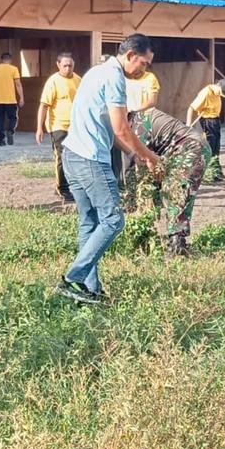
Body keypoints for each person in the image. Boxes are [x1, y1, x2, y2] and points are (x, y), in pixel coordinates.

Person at [56, 35, 162, 305]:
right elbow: (121, 128)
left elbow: (107, 127)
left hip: (72, 156)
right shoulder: (115, 77)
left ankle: (88, 290)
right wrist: (150, 156)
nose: (144, 69)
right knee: (114, 220)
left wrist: (132, 153)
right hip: (91, 160)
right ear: (130, 55)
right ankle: (73, 278)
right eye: (143, 63)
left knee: (89, 223)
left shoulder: (95, 72)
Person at [126, 108, 208, 256]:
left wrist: (133, 201)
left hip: (192, 148)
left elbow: (142, 166)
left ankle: (177, 245)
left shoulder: (139, 128)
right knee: (166, 192)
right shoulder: (138, 121)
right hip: (178, 152)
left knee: (174, 192)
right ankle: (164, 237)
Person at [36, 53, 81, 202]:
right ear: (58, 65)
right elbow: (44, 106)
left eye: (70, 65)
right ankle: (62, 188)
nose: (68, 68)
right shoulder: (53, 81)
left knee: (75, 157)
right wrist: (39, 128)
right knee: (61, 156)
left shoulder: (78, 80)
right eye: (65, 66)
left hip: (75, 125)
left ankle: (75, 186)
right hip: (58, 125)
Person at [186, 77, 225, 183]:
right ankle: (205, 174)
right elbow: (191, 108)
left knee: (216, 147)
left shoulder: (217, 93)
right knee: (209, 148)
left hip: (215, 120)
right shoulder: (206, 92)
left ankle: (216, 172)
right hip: (206, 121)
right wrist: (188, 125)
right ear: (218, 87)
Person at [0, 51, 24, 146]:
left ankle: (1, 140)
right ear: (10, 60)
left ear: (2, 60)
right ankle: (10, 131)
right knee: (13, 118)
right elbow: (18, 84)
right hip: (11, 100)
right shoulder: (14, 69)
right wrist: (21, 97)